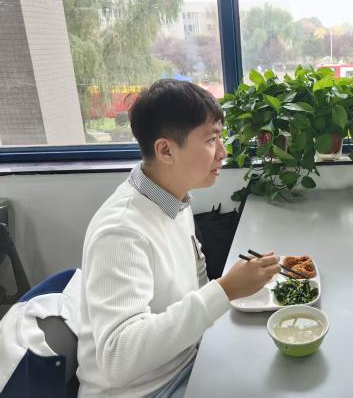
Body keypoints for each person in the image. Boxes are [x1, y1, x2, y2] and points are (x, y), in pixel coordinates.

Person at [77, 79, 281, 397]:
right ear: (166, 150)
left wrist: (233, 292)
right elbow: (117, 359)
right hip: (147, 390)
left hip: (187, 359)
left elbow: (196, 281)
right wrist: (225, 290)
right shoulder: (121, 231)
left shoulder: (174, 199)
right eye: (211, 139)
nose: (223, 153)